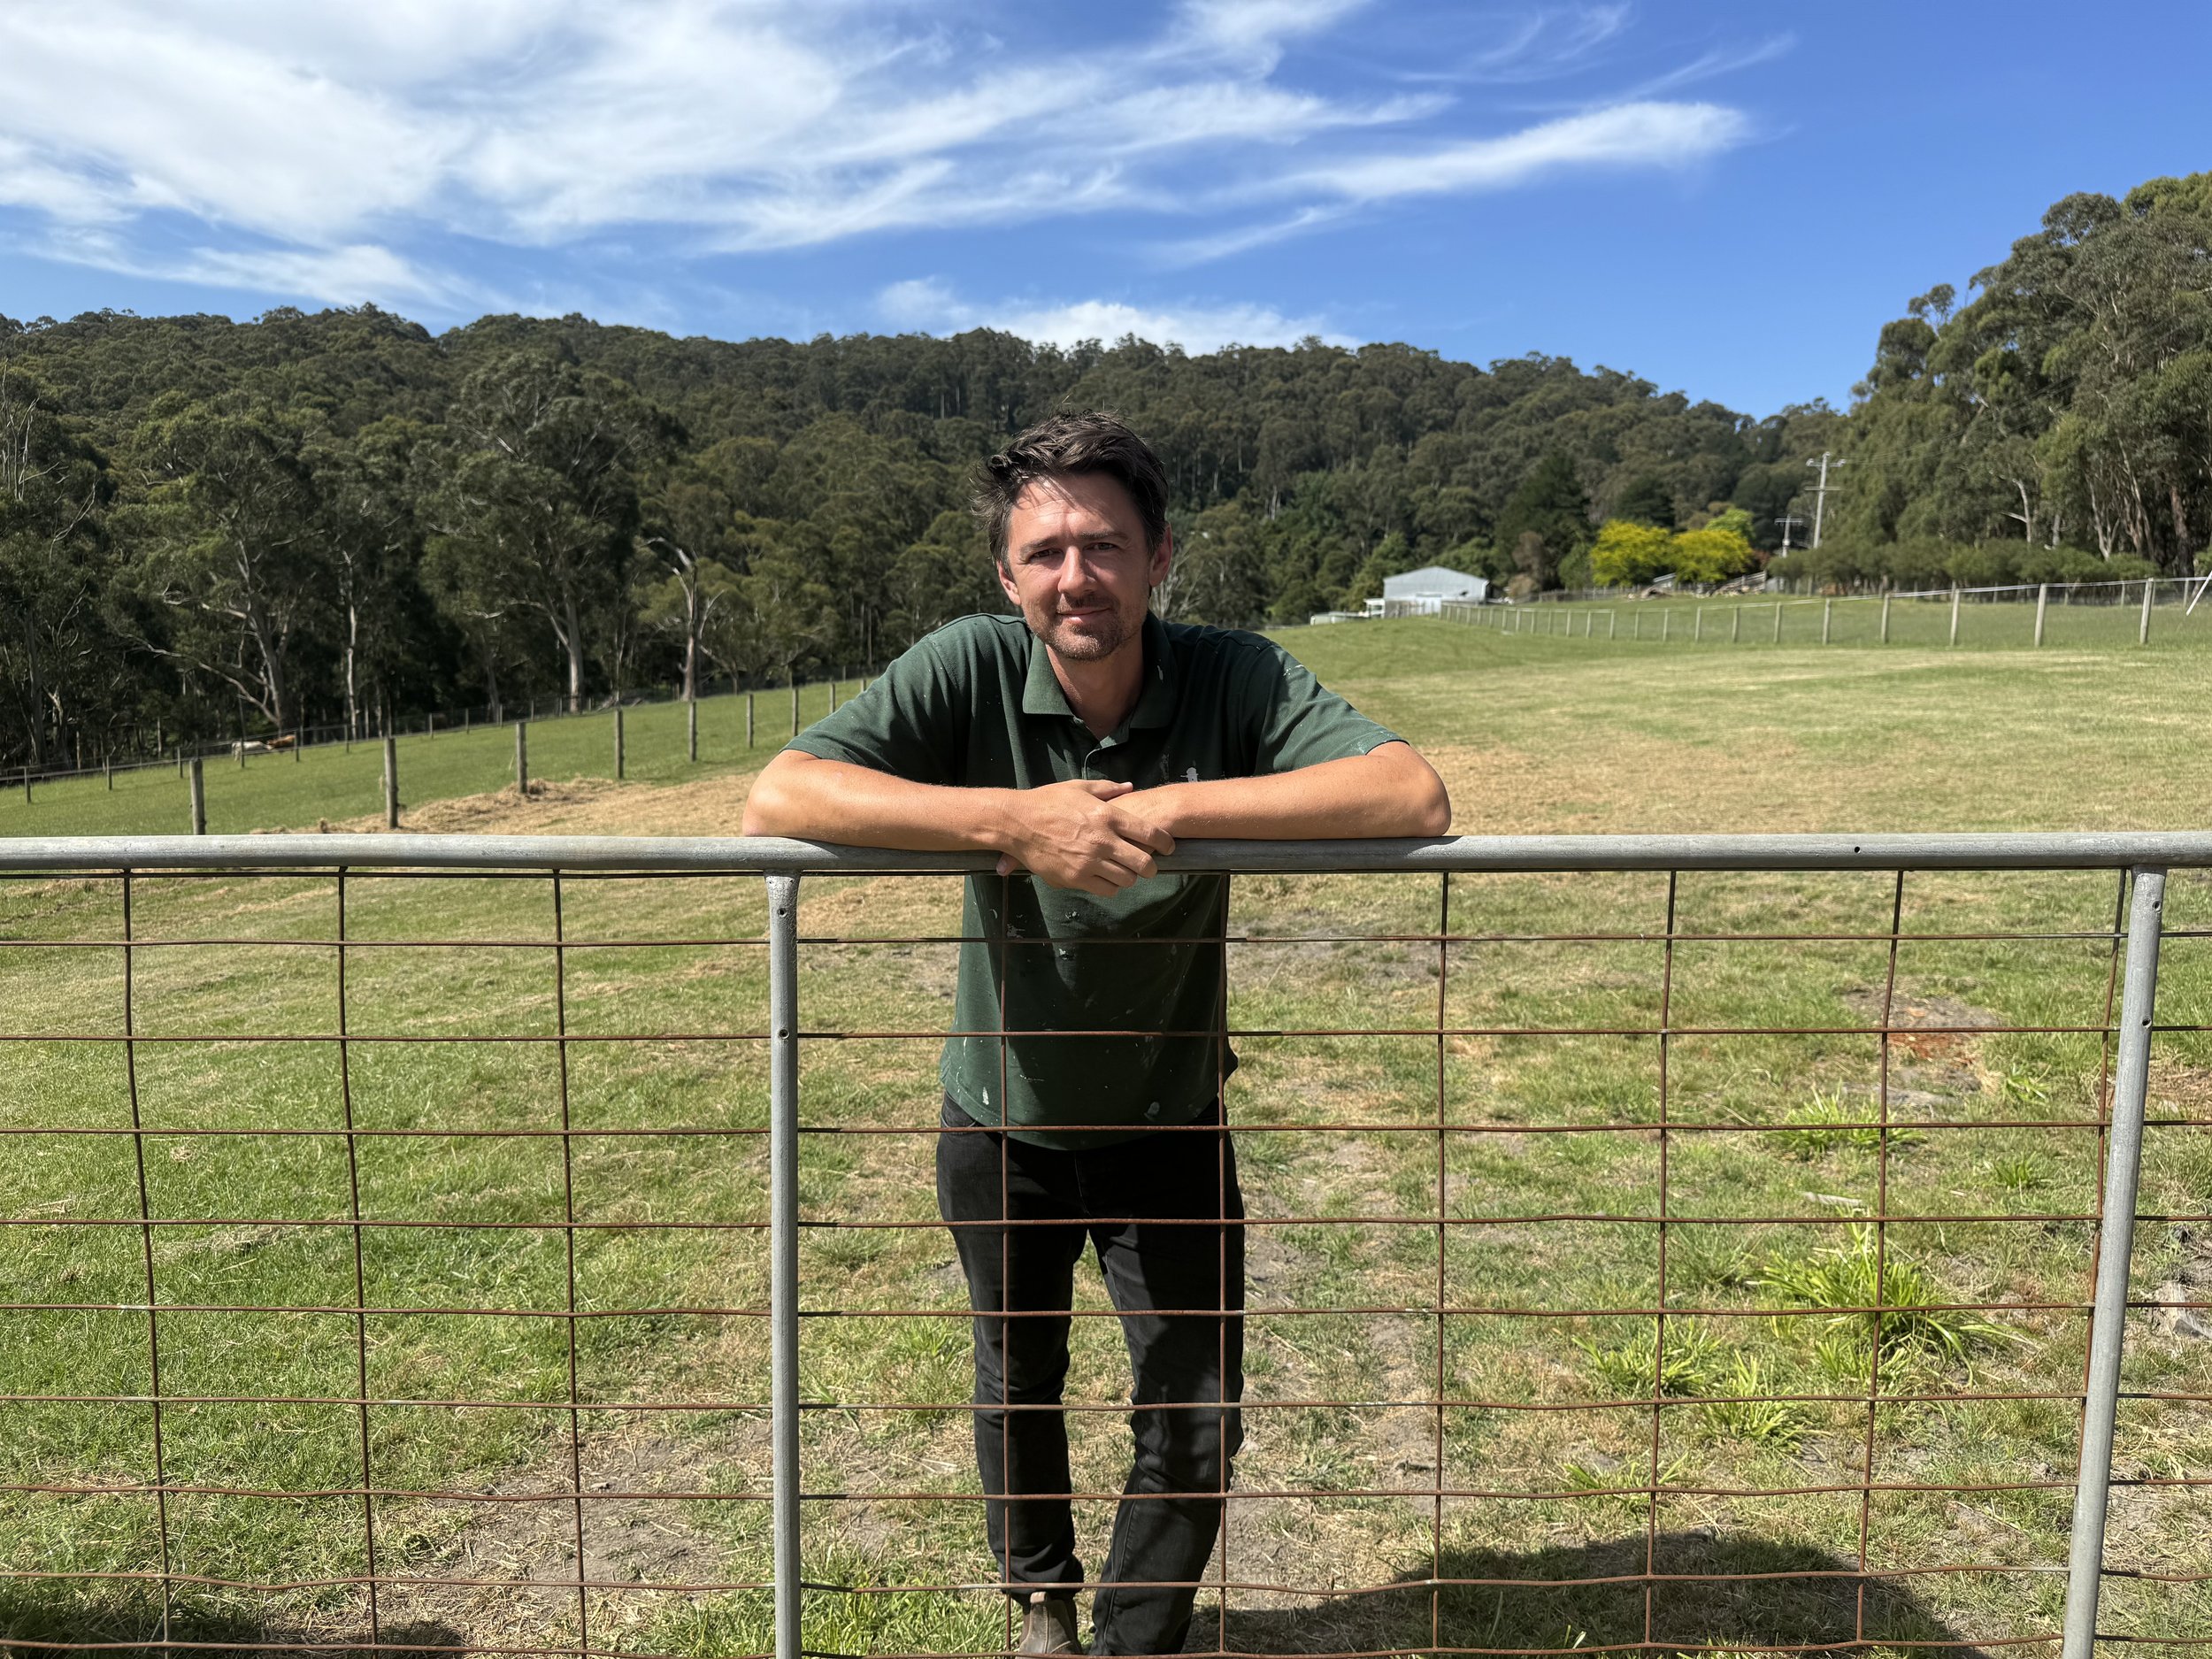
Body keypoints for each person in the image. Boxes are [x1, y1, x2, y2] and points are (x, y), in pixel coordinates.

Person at [742, 411, 1450, 1655]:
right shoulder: (966, 665)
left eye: (1106, 546)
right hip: (999, 1118)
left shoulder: (1232, 675)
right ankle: (1040, 1602)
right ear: (1008, 577)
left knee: (1199, 1406)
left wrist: (1173, 805)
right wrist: (1012, 822)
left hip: (1170, 1121)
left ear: (1160, 557)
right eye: (1047, 552)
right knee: (1017, 1385)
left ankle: (1131, 1641)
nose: (1078, 577)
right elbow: (782, 795)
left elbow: (1409, 793)